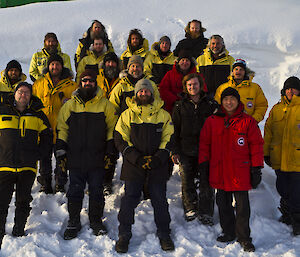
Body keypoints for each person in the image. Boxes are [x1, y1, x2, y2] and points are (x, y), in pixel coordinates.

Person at [198, 87, 264, 252]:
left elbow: (256, 145)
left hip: (240, 172)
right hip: (219, 170)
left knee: (242, 207)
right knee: (223, 203)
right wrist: (204, 164)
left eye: (232, 99)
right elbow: (205, 145)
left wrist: (256, 168)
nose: (229, 102)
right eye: (226, 99)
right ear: (222, 102)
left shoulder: (247, 121)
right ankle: (228, 231)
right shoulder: (212, 121)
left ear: (238, 101)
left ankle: (244, 237)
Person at [56, 70, 118, 240]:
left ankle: (96, 221)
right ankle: (73, 222)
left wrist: (110, 149)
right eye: (84, 81)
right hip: (75, 157)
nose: (87, 83)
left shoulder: (106, 105)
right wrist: (61, 147)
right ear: (80, 83)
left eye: (91, 81)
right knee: (75, 191)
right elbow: (62, 128)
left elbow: (112, 128)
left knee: (97, 191)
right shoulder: (70, 106)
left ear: (95, 83)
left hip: (97, 157)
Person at [114, 79, 175, 253]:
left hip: (157, 164)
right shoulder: (127, 115)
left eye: (147, 91)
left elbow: (169, 138)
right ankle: (124, 235)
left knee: (160, 200)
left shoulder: (163, 115)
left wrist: (159, 157)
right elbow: (120, 138)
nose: (144, 94)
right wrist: (136, 158)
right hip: (134, 165)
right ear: (136, 94)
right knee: (129, 200)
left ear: (151, 93)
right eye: (140, 91)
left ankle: (164, 234)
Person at [0, 82, 52, 248]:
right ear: (15, 94)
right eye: (20, 92)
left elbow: (47, 138)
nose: (23, 95)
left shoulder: (38, 115)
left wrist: (38, 154)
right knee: (1, 201)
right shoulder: (2, 110)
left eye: (27, 93)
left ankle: (19, 229)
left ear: (30, 96)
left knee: (23, 201)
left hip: (27, 167)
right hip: (4, 166)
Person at [171, 73, 218, 224]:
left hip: (206, 150)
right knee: (187, 180)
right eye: (189, 85)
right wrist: (175, 150)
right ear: (186, 87)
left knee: (206, 182)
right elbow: (174, 130)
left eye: (195, 84)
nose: (192, 87)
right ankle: (190, 207)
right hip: (186, 149)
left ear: (200, 85)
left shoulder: (210, 104)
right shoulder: (179, 106)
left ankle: (206, 212)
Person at [32, 54, 77, 194]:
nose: (55, 67)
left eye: (57, 64)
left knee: (61, 158)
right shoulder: (39, 84)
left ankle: (60, 183)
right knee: (44, 158)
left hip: (62, 128)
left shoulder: (72, 85)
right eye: (52, 64)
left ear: (62, 66)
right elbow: (32, 105)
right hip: (44, 128)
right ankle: (45, 182)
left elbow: (77, 106)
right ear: (48, 66)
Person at [264, 76, 300, 236]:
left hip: (297, 160)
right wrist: (266, 153)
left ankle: (297, 220)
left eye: (294, 88)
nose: (291, 91)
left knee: (297, 191)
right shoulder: (276, 109)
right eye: (288, 88)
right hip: (279, 159)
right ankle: (287, 213)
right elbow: (268, 131)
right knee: (283, 188)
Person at [96, 52, 121, 195]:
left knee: (112, 153)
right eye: (108, 62)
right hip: (99, 120)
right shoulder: (97, 79)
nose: (110, 65)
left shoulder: (122, 81)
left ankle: (107, 181)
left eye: (113, 62)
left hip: (116, 121)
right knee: (98, 152)